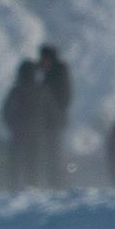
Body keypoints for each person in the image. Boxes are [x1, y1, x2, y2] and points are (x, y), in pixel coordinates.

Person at [1, 61, 54, 187]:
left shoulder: (16, 91)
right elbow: (51, 113)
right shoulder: (42, 91)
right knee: (34, 165)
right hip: (37, 135)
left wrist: (12, 126)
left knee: (16, 165)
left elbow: (6, 111)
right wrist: (45, 129)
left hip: (19, 134)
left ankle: (16, 188)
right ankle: (33, 188)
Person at [36, 45, 71, 187]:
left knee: (54, 156)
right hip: (53, 122)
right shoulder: (54, 73)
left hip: (54, 123)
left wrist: (52, 113)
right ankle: (54, 184)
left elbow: (62, 99)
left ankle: (55, 185)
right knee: (51, 156)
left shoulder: (56, 74)